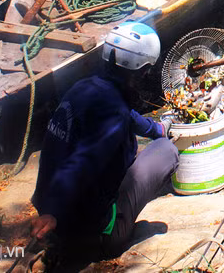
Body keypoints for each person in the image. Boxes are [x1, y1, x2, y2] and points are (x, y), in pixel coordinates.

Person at [30, 22, 179, 266]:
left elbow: (125, 115)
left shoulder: (85, 88)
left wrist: (157, 129)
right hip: (93, 235)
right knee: (166, 150)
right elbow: (81, 163)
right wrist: (53, 213)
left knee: (142, 144)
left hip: (57, 213)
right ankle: (113, 235)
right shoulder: (115, 113)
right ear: (141, 70)